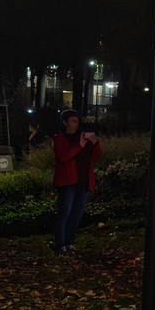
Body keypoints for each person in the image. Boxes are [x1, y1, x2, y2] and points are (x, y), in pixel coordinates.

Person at [51, 109, 102, 255]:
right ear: (65, 122)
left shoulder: (81, 137)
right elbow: (63, 157)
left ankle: (69, 241)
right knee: (64, 213)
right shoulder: (60, 138)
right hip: (67, 182)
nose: (76, 124)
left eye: (77, 121)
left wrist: (95, 143)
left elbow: (95, 157)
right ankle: (60, 244)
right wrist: (78, 146)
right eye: (73, 121)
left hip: (82, 181)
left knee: (76, 214)